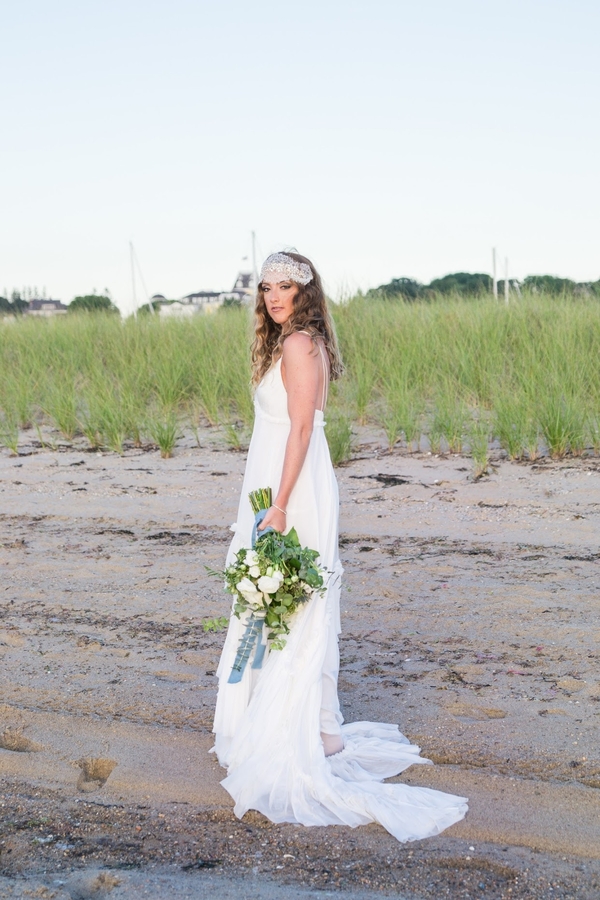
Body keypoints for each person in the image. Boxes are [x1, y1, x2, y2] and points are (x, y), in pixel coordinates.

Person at [212, 251, 467, 842]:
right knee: (282, 596)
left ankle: (303, 727)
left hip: (292, 488)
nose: (275, 297)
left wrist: (277, 505)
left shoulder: (299, 344)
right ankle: (317, 724)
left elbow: (300, 428)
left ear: (305, 292)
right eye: (267, 287)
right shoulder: (291, 342)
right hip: (282, 480)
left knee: (290, 596)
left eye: (286, 287)